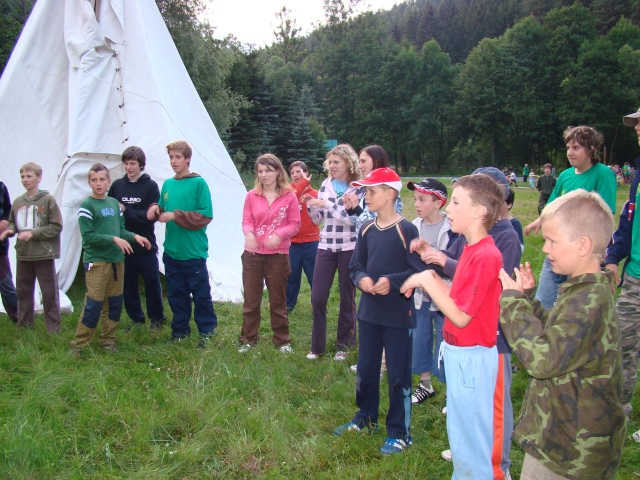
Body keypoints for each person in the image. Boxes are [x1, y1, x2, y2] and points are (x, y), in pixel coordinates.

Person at [500, 190, 626, 480]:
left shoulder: (588, 302)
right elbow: (559, 337)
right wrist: (529, 300)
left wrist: (513, 304)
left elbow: (543, 360)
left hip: (570, 453)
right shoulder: (584, 292)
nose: (545, 249)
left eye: (552, 241)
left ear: (583, 245)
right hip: (564, 438)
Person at [416, 167, 520, 477]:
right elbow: (460, 293)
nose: (448, 208)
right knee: (462, 432)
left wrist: (427, 279)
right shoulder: (470, 246)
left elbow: (462, 314)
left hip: (477, 353)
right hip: (461, 352)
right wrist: (434, 272)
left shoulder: (487, 253)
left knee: (479, 436)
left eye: (456, 202)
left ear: (478, 211)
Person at [334, 167, 425, 454]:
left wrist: (392, 282)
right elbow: (356, 265)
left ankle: (399, 432)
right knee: (366, 369)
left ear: (389, 194)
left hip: (398, 316)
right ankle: (365, 417)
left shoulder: (407, 230)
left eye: (371, 192)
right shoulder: (366, 229)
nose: (367, 197)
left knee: (398, 374)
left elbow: (417, 270)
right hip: (369, 313)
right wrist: (361, 279)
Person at [525, 126, 617, 309]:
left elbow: (604, 214)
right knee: (544, 300)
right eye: (568, 148)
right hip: (556, 248)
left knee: (576, 304)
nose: (570, 152)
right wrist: (540, 220)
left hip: (582, 254)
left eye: (576, 147)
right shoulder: (565, 176)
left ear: (591, 149)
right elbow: (553, 206)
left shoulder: (603, 174)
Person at [71, 163, 151, 354]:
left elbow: (120, 230)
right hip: (97, 261)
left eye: (102, 179)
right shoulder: (87, 205)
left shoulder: (114, 204)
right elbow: (88, 236)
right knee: (93, 304)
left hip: (117, 261)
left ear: (108, 181)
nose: (98, 183)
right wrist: (113, 239)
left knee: (114, 303)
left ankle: (107, 340)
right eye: (94, 180)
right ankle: (80, 344)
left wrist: (135, 237)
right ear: (89, 183)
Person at [147, 140, 217, 347]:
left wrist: (175, 215)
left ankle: (207, 332)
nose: (174, 161)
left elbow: (205, 215)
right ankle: (179, 332)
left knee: (201, 295)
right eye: (171, 157)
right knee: (176, 295)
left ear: (188, 159)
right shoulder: (168, 184)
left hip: (193, 251)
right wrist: (155, 207)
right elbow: (164, 205)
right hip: (172, 250)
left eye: (178, 157)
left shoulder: (199, 183)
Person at [239, 154, 300, 353]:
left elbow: (295, 224)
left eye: (268, 171)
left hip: (278, 255)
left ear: (277, 172)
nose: (264, 175)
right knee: (251, 300)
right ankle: (248, 340)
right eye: (260, 171)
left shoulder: (289, 196)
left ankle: (282, 341)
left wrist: (279, 235)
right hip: (253, 254)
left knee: (278, 300)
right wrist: (249, 234)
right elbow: (247, 220)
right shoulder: (251, 196)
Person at [305, 144, 360, 361]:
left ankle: (344, 346)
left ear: (349, 163)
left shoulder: (357, 187)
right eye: (330, 162)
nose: (332, 166)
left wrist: (327, 204)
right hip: (326, 246)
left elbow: (353, 220)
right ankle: (317, 346)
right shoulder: (325, 184)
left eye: (337, 162)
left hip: (349, 247)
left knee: (347, 298)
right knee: (318, 297)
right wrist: (312, 207)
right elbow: (318, 220)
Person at [406, 178, 456, 404]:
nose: (416, 204)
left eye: (422, 199)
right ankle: (425, 384)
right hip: (420, 297)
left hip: (445, 296)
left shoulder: (453, 228)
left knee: (447, 342)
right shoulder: (413, 227)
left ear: (438, 203)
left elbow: (452, 263)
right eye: (415, 199)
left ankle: (452, 392)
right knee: (420, 339)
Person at [605, 106, 640, 422]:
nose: (638, 127)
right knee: (622, 343)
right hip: (634, 276)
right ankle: (621, 410)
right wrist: (614, 257)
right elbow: (629, 219)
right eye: (637, 122)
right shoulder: (638, 173)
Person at [0, 162, 62, 332]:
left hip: (43, 253)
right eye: (22, 177)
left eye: (29, 176)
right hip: (24, 254)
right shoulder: (18, 202)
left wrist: (33, 234)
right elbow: (13, 223)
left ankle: (53, 328)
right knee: (23, 292)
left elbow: (56, 226)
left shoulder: (48, 200)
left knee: (49, 293)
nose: (25, 180)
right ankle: (25, 326)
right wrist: (10, 231)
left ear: (39, 177)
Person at [108, 146, 165, 331]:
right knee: (128, 285)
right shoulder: (117, 186)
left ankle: (157, 319)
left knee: (152, 284)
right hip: (125, 246)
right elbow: (111, 214)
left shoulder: (150, 186)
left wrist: (127, 211)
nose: (129, 167)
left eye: (132, 163)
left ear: (141, 164)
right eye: (126, 163)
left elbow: (149, 217)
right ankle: (136, 319)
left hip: (146, 245)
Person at [343, 145, 402, 234]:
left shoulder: (387, 187)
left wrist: (356, 208)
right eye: (359, 162)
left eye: (363, 161)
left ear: (376, 160)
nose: (359, 166)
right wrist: (351, 210)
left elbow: (376, 226)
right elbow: (360, 225)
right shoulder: (369, 188)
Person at [286, 161, 319, 312]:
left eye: (298, 171)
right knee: (291, 276)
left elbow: (320, 217)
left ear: (306, 172)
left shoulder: (315, 194)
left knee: (315, 276)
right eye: (292, 172)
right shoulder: (287, 193)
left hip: (311, 242)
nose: (295, 175)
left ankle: (319, 305)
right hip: (292, 243)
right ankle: (289, 305)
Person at [0, 180, 18, 324]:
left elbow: (8, 209)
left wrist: (5, 221)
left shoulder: (1, 187)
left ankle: (19, 319)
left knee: (6, 284)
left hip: (0, 247)